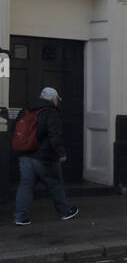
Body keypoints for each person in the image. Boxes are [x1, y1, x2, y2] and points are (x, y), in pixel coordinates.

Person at [13, 87, 79, 226]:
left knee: (25, 186)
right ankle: (65, 211)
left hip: (25, 155)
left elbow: (15, 129)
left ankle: (20, 217)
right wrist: (61, 153)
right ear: (53, 99)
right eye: (56, 99)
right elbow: (54, 136)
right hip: (44, 157)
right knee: (55, 184)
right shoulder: (51, 112)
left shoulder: (26, 110)